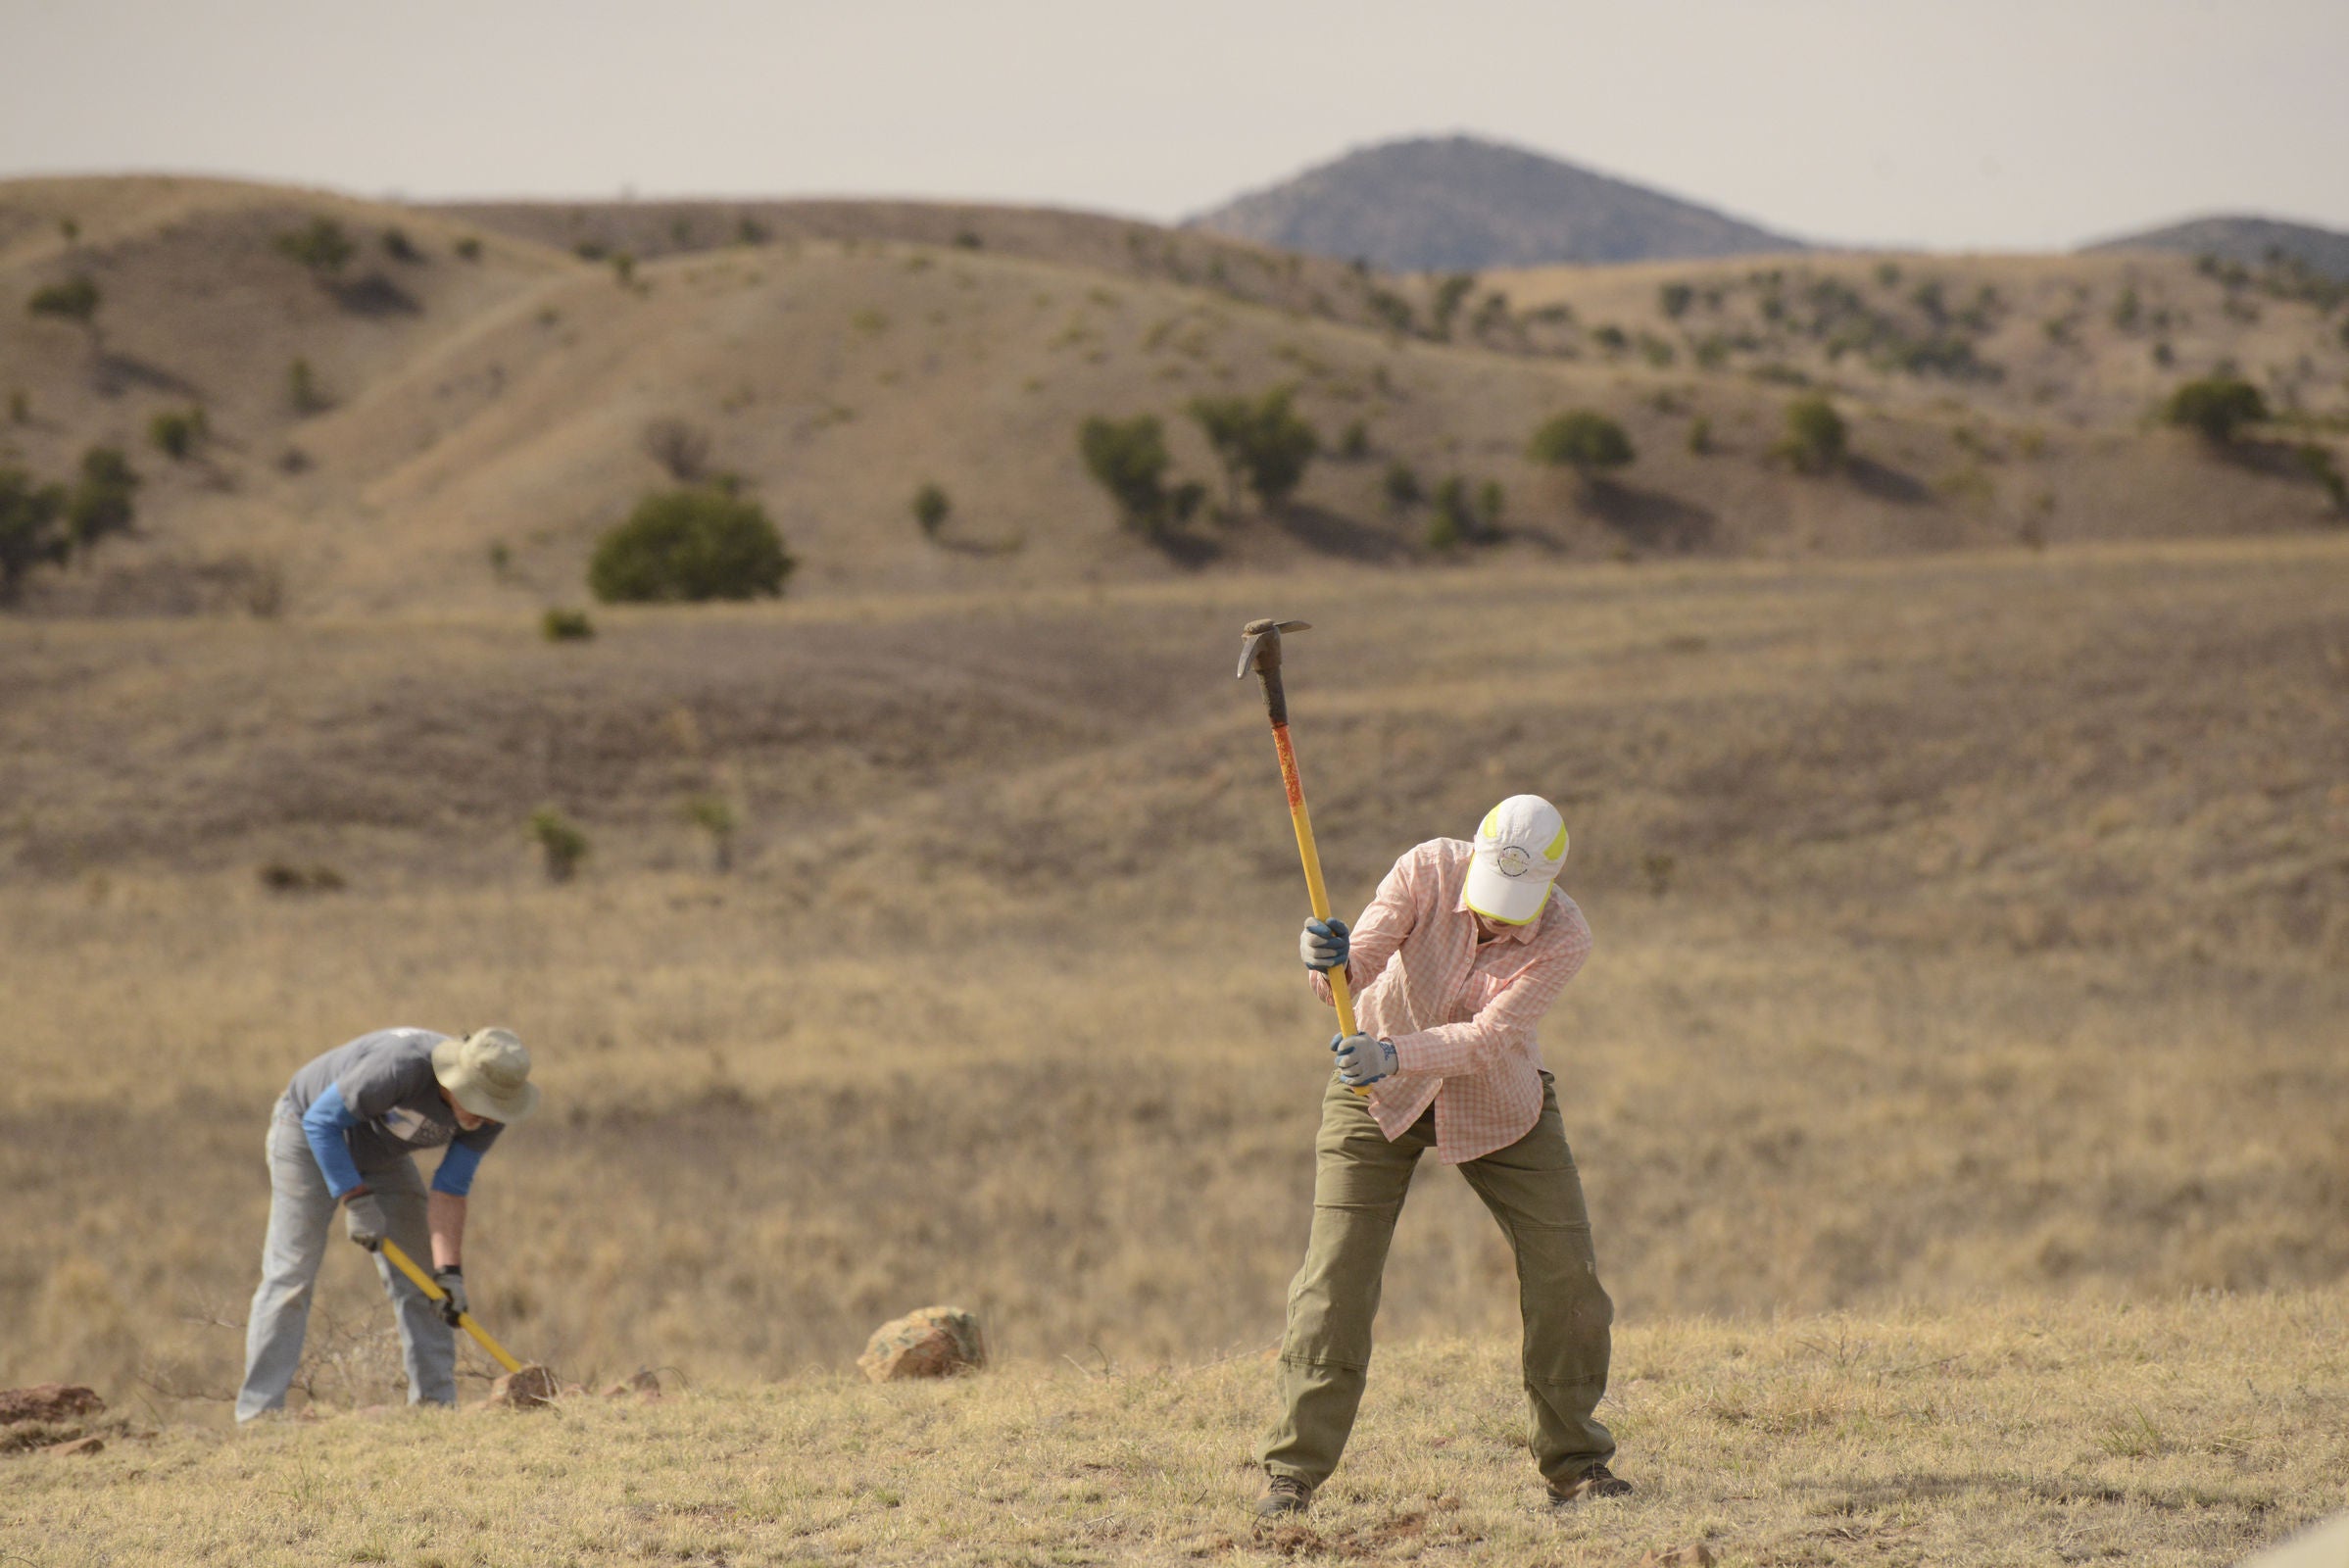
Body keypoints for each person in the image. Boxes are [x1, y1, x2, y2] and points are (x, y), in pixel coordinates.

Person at [1256, 795, 1625, 1514]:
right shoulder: (1425, 868)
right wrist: (1325, 960)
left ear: (1549, 886)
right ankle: (1291, 1475)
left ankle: (1576, 1464)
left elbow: (1488, 1039)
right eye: (1489, 898)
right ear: (1474, 863)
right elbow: (1350, 967)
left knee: (1568, 1281)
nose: (1495, 917)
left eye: (1515, 907)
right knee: (1334, 1278)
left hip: (1498, 1105)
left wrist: (1392, 1052)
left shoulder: (1566, 936)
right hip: (1373, 1096)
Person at [235, 1026, 540, 1422]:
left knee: (426, 1284)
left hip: (381, 1151)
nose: (483, 1118)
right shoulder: (401, 1068)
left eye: (493, 1109)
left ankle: (435, 1410)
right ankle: (259, 1416)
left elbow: (451, 1187)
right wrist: (356, 1198)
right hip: (307, 1132)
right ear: (454, 1081)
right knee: (291, 1274)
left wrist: (450, 1272)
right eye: (477, 1103)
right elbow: (321, 1122)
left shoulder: (493, 1112)